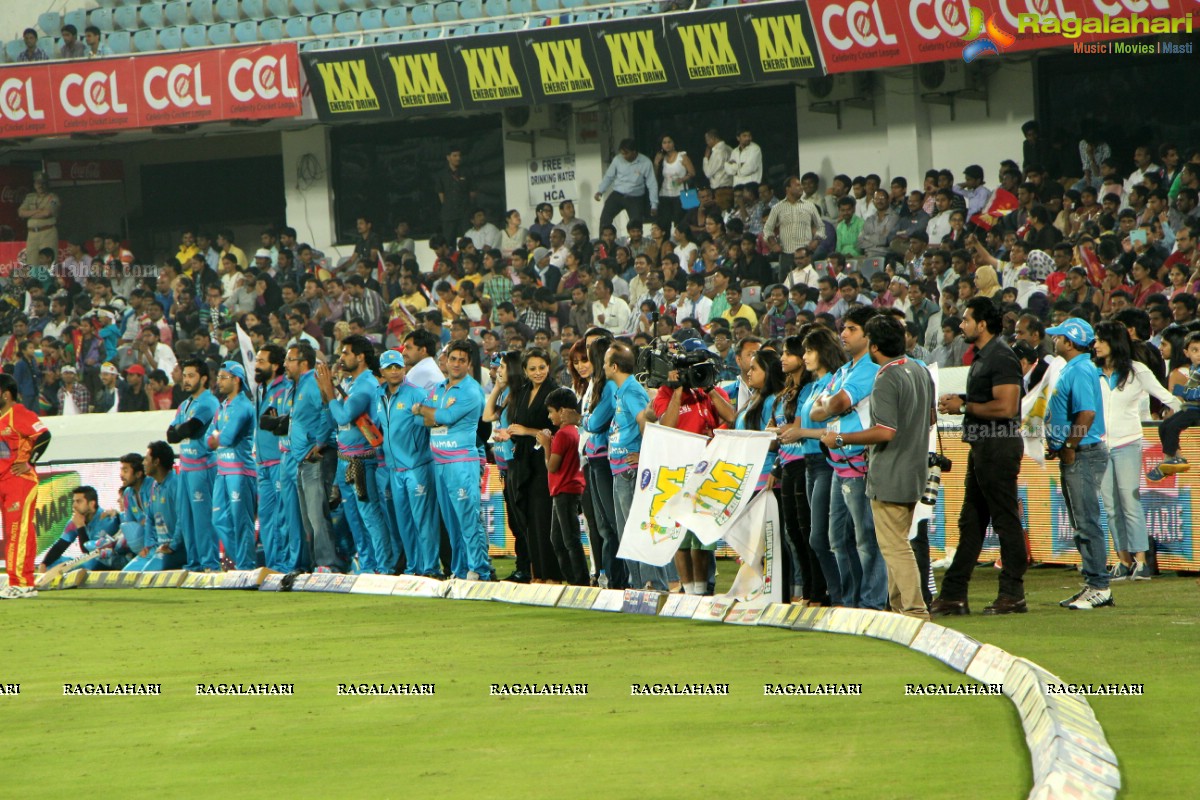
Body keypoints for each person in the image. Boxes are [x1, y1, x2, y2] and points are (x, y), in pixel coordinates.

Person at [822, 316, 934, 620]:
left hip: (890, 472)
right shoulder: (919, 370)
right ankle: (900, 608)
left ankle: (914, 611)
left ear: (873, 345)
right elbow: (932, 418)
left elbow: (885, 431)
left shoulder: (885, 377)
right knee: (894, 544)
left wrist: (842, 438)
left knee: (895, 547)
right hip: (914, 471)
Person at [931, 298, 1027, 616]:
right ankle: (954, 595)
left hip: (998, 447)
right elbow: (990, 400)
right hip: (983, 447)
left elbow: (1007, 407)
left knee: (1004, 521)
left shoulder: (1001, 356)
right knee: (971, 522)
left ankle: (1013, 593)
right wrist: (963, 400)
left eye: (966, 320)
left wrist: (964, 406)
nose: (961, 325)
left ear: (982, 324)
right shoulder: (986, 356)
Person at [810, 306, 884, 610]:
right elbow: (817, 411)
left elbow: (836, 401)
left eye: (851, 328)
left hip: (858, 462)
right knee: (836, 540)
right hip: (839, 464)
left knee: (865, 538)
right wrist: (833, 404)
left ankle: (872, 602)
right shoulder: (844, 370)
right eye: (844, 328)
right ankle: (850, 600)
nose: (843, 334)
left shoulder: (869, 367)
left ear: (868, 335)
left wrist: (832, 403)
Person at [1093, 322, 1180, 581]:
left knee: (1130, 502)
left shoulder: (1136, 371)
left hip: (1128, 443)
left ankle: (1141, 562)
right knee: (1109, 505)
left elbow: (1168, 397)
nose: (1095, 345)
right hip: (1099, 445)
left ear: (1114, 342)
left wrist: (1176, 420)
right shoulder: (1092, 371)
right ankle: (1122, 561)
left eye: (1100, 340)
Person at [1044, 318, 1111, 610]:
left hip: (1083, 452)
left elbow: (1086, 414)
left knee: (1086, 522)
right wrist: (1058, 444)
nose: (1054, 340)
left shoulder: (1081, 369)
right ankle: (1092, 583)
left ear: (1069, 342)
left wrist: (1069, 445)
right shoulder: (1075, 367)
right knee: (1080, 523)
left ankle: (1100, 586)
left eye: (1058, 337)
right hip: (1075, 451)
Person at [655, 339, 729, 594]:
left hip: (706, 471)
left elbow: (732, 417)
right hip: (678, 471)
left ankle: (701, 591)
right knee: (682, 538)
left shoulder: (707, 389)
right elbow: (666, 426)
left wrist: (709, 389)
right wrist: (676, 390)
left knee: (702, 538)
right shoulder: (666, 392)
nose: (694, 371)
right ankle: (688, 591)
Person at [414, 341, 493, 581]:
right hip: (440, 462)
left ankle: (481, 570)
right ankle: (459, 571)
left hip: (461, 462)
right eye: (453, 359)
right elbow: (424, 421)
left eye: (462, 360)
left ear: (469, 364)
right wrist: (432, 415)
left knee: (468, 519)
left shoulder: (471, 390)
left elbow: (445, 416)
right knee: (451, 523)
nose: (456, 364)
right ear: (446, 361)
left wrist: (424, 410)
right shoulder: (439, 388)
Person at [316, 336, 391, 575]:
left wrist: (329, 392)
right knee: (354, 518)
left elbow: (344, 416)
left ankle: (384, 566)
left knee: (370, 515)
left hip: (362, 460)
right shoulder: (349, 384)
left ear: (360, 357)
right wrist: (326, 396)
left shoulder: (366, 384)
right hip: (344, 458)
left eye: (346, 353)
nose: (341, 357)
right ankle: (368, 566)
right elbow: (334, 421)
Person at [382, 332, 444, 578]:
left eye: (398, 366)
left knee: (424, 520)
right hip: (395, 469)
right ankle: (413, 568)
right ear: (383, 371)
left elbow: (431, 422)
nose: (395, 371)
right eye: (390, 368)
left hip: (417, 466)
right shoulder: (380, 396)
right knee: (405, 523)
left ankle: (430, 568)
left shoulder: (417, 393)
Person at [503, 349, 560, 584]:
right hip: (522, 461)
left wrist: (526, 432)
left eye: (542, 367)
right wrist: (510, 435)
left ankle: (552, 574)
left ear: (549, 367)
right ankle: (537, 573)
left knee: (543, 518)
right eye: (533, 369)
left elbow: (559, 430)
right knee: (526, 519)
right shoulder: (522, 392)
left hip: (544, 461)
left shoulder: (556, 393)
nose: (538, 373)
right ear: (525, 371)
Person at [283, 342, 340, 573]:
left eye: (289, 360)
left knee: (317, 516)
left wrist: (320, 442)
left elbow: (328, 409)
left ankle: (328, 564)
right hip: (301, 460)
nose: (285, 364)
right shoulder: (297, 386)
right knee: (308, 519)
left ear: (303, 362)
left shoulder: (314, 382)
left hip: (318, 458)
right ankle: (318, 564)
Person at [605, 342, 656, 590]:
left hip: (628, 470)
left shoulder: (632, 391)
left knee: (636, 528)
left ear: (614, 366)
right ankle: (637, 583)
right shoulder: (622, 390)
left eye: (605, 362)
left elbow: (644, 420)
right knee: (627, 531)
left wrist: (644, 455)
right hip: (619, 468)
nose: (603, 366)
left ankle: (647, 583)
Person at [166, 358, 221, 572]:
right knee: (187, 520)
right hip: (186, 468)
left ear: (204, 378)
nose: (186, 380)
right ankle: (194, 563)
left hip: (203, 468)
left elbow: (192, 429)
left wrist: (182, 429)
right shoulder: (185, 404)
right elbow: (171, 436)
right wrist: (182, 428)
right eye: (185, 375)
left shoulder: (209, 402)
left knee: (203, 519)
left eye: (191, 376)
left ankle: (210, 564)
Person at [0, 374, 51, 598]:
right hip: (4, 482)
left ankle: (18, 582)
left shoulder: (18, 413)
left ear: (5, 394)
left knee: (16, 532)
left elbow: (44, 435)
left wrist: (29, 462)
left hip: (20, 481)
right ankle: (25, 581)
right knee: (20, 532)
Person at [206, 362, 258, 571]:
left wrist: (217, 436)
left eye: (223, 377)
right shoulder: (222, 406)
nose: (218, 382)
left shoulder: (244, 406)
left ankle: (246, 566)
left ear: (236, 379)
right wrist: (217, 437)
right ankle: (243, 562)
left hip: (240, 471)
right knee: (219, 519)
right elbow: (207, 441)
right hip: (223, 471)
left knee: (241, 521)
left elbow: (225, 438)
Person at [580, 336, 622, 588]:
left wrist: (584, 419)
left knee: (611, 524)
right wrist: (587, 418)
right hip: (594, 458)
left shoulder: (608, 387)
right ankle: (608, 574)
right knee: (603, 525)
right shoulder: (596, 385)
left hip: (606, 459)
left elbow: (594, 422)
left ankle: (618, 577)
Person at [536, 388, 590, 586]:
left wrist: (545, 445)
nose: (549, 417)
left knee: (568, 539)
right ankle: (574, 578)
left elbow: (552, 466)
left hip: (564, 490)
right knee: (559, 539)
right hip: (569, 489)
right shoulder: (575, 433)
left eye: (551, 412)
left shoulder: (562, 435)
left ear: (561, 411)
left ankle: (580, 581)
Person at [485, 349, 531, 582]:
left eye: (501, 367)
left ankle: (528, 568)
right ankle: (523, 566)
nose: (497, 371)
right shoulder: (506, 395)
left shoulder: (522, 395)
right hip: (505, 467)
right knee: (514, 522)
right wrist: (497, 388)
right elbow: (486, 416)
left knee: (522, 521)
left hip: (517, 465)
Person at [254, 344, 292, 572]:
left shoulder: (285, 388)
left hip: (279, 460)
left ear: (275, 366)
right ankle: (273, 565)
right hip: (262, 463)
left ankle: (285, 565)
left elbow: (283, 423)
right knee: (267, 518)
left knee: (282, 517)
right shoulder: (260, 389)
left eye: (261, 362)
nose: (256, 366)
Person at [122, 441, 186, 571]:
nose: (144, 463)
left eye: (146, 459)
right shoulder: (155, 486)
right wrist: (148, 545)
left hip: (177, 550)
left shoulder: (176, 484)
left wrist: (172, 546)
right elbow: (150, 518)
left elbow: (183, 519)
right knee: (127, 574)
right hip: (157, 548)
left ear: (156, 462)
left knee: (147, 574)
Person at [594, 139, 658, 232]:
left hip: (635, 197)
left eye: (626, 153)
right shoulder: (617, 159)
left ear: (634, 152)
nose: (624, 156)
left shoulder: (646, 162)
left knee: (636, 225)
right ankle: (602, 244)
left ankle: (637, 245)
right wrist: (600, 191)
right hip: (618, 194)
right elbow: (609, 176)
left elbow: (652, 184)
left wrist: (654, 205)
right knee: (604, 219)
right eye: (622, 153)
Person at [18, 173, 60, 263]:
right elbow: (21, 212)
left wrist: (29, 214)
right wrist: (37, 211)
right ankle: (35, 278)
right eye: (38, 183)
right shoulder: (30, 197)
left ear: (47, 184)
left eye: (43, 183)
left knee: (48, 262)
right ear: (34, 185)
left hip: (47, 232)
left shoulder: (53, 198)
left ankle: (49, 277)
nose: (40, 185)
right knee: (32, 262)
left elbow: (47, 213)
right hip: (32, 234)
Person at [436, 146, 474, 242]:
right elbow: (441, 195)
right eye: (455, 155)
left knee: (467, 239)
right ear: (448, 157)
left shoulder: (466, 172)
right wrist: (448, 206)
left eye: (459, 155)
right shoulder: (442, 174)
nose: (458, 158)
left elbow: (472, 192)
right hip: (449, 214)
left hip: (464, 212)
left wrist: (467, 206)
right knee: (448, 241)